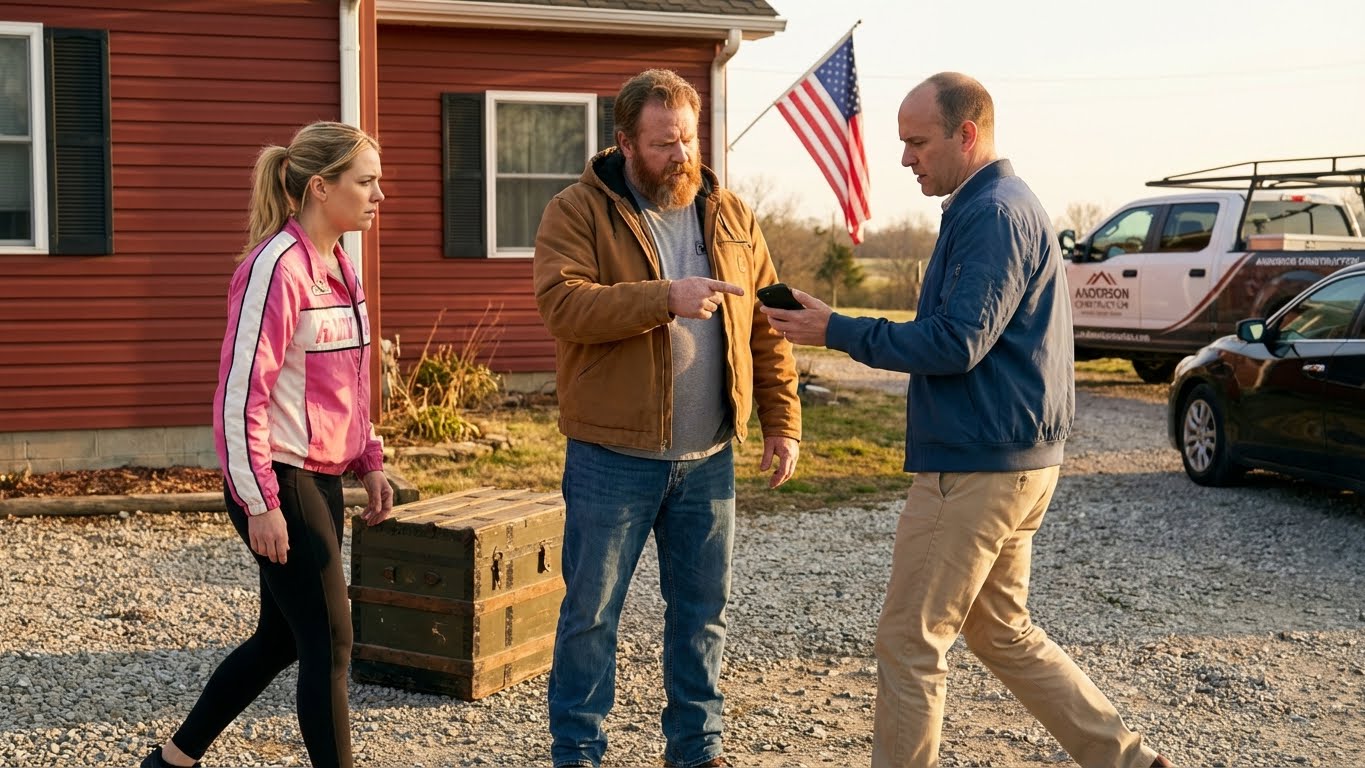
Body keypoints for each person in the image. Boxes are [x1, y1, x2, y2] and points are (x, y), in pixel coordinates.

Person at [761, 73, 1175, 768]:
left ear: (966, 134)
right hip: (1014, 461)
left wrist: (835, 329)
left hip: (976, 466)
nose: (904, 159)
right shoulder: (996, 207)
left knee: (908, 640)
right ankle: (1129, 761)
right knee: (1000, 632)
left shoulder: (992, 214)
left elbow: (955, 343)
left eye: (915, 142)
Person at [532, 68, 803, 768]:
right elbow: (563, 306)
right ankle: (578, 753)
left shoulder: (733, 214)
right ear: (624, 142)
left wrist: (781, 422)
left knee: (700, 616)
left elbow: (767, 327)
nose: (681, 156)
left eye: (687, 140)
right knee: (590, 619)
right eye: (662, 144)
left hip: (707, 457)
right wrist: (664, 297)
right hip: (610, 457)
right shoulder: (577, 210)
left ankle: (695, 750)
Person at [141, 121, 393, 768]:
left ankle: (172, 760)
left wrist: (369, 460)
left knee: (280, 639)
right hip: (279, 481)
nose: (378, 195)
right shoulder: (275, 268)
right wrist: (259, 503)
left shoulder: (338, 264)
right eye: (365, 182)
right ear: (319, 187)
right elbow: (238, 396)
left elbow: (349, 384)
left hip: (320, 477)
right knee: (332, 643)